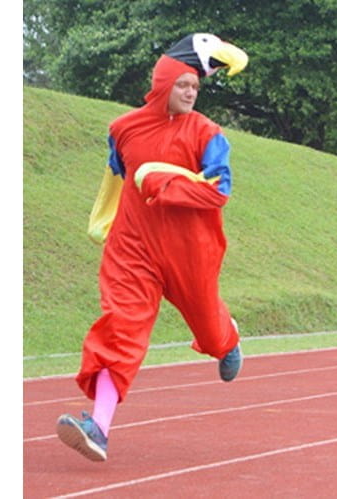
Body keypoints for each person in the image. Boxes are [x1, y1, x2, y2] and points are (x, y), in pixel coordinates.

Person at [55, 33, 249, 462]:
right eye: (184, 85)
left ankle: (227, 338)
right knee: (120, 329)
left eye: (196, 88)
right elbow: (117, 178)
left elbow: (218, 190)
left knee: (209, 328)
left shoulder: (207, 133)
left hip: (190, 251)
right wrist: (104, 221)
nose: (191, 93)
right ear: (164, 82)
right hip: (133, 249)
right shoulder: (123, 129)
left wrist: (166, 183)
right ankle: (98, 428)